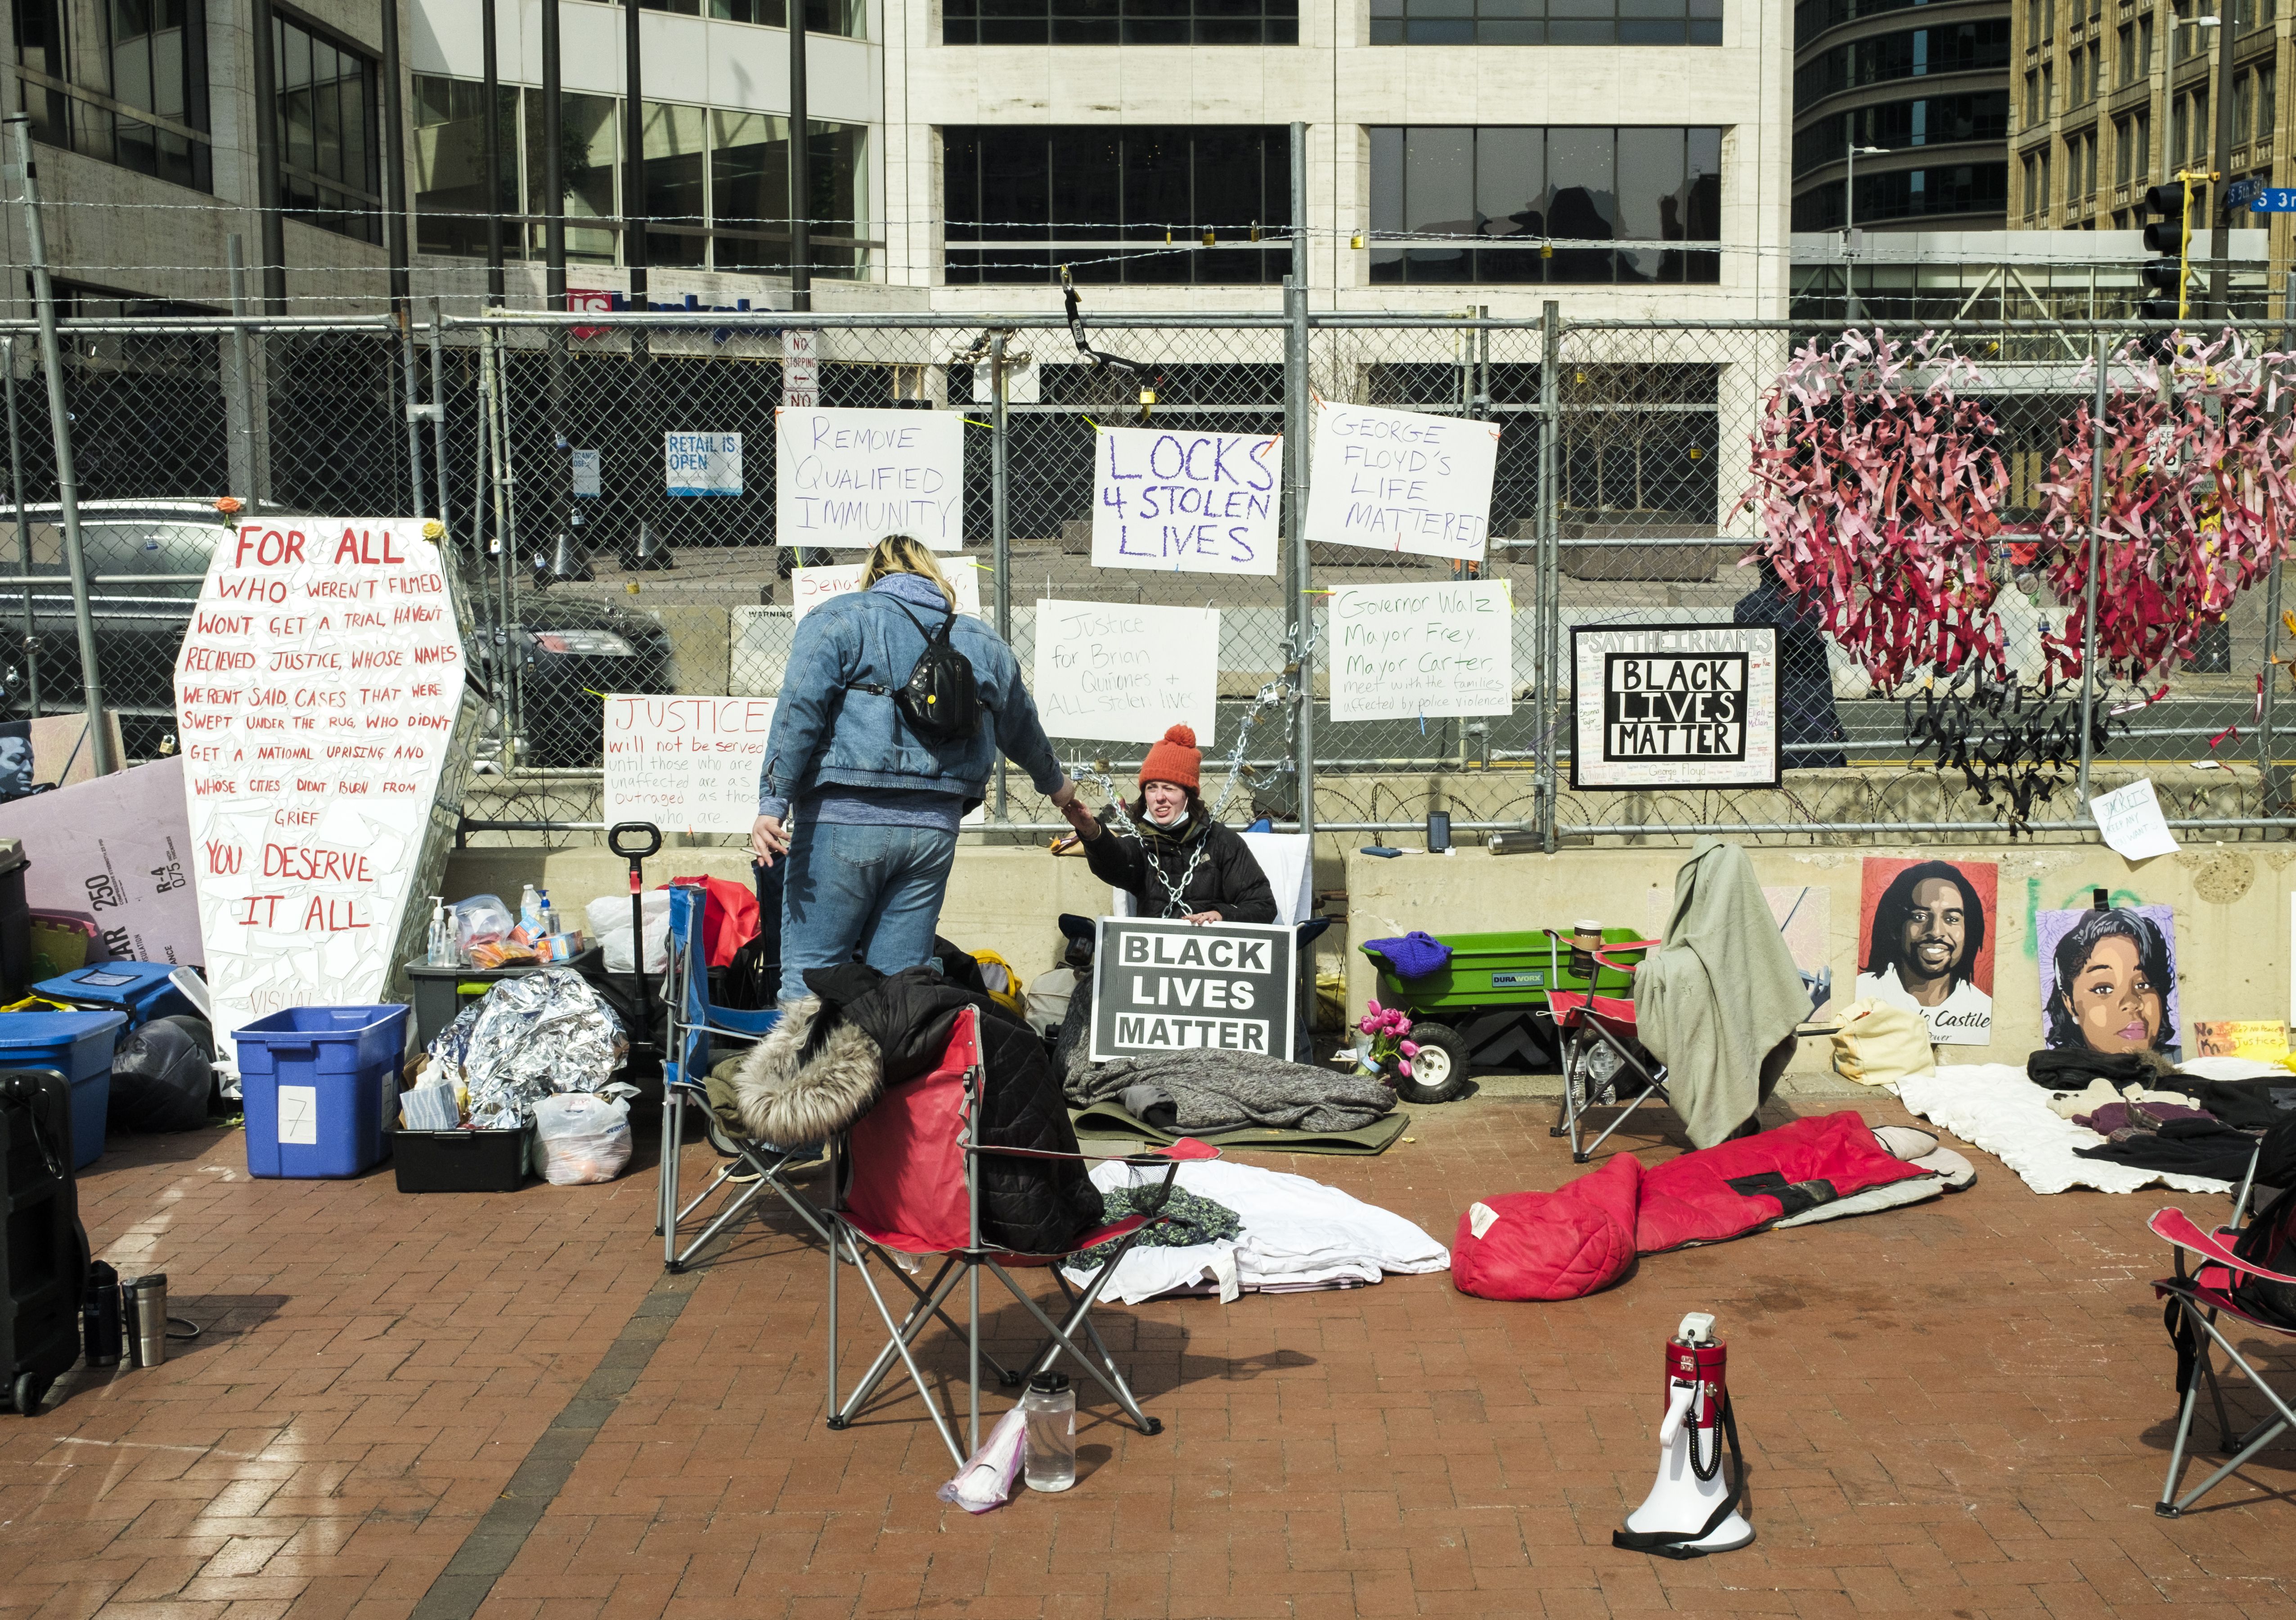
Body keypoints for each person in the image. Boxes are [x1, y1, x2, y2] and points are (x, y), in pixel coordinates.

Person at [751, 534, 1079, 1003]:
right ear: (933, 576)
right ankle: (892, 1077)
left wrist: (773, 800)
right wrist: (1059, 787)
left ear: (874, 574)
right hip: (933, 831)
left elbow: (798, 711)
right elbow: (1022, 727)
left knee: (811, 980)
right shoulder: (983, 640)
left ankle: (802, 1078)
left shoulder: (841, 618)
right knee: (901, 990)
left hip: (843, 821)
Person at [1058, 725, 1276, 924]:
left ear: (1188, 795)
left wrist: (1221, 914)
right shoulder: (1141, 843)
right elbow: (1113, 864)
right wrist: (1090, 830)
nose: (1159, 797)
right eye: (1152, 788)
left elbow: (1263, 906)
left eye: (1169, 788)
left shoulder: (1221, 842)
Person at [1855, 860, 1992, 1044]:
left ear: (1969, 931)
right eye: (1920, 917)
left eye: (1952, 919)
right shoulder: (1862, 994)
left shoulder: (1982, 1007)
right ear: (1896, 926)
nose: (1936, 932)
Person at [1733, 556, 1847, 770]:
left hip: (1769, 729)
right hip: (1808, 730)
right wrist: (1824, 576)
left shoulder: (1746, 607)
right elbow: (1796, 626)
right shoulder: (1811, 600)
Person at [2044, 906, 2176, 1056]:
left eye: (2143, 985)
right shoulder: (2054, 1073)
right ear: (2071, 1005)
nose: (2132, 1003)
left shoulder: (2188, 1067)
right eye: (2104, 989)